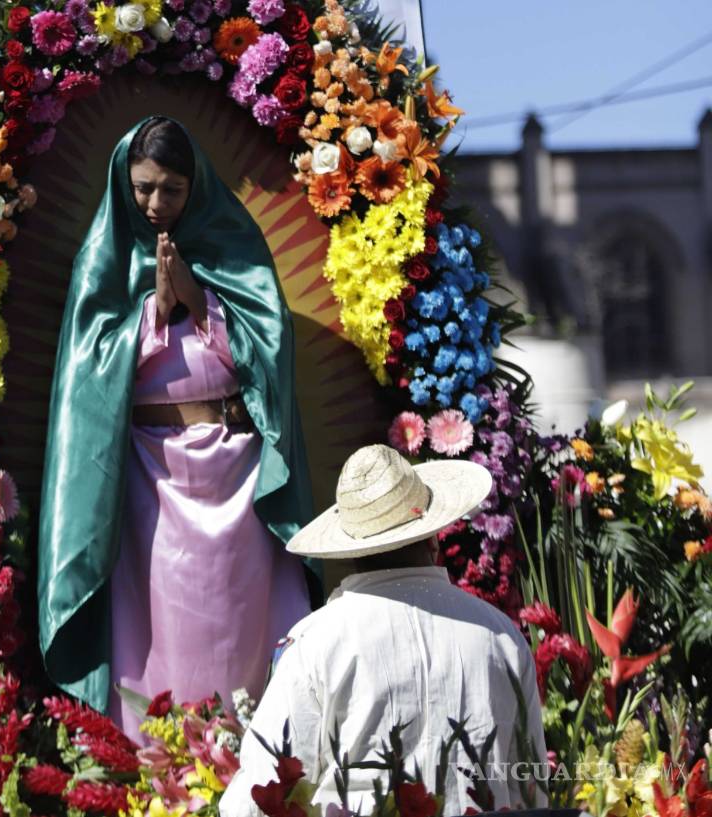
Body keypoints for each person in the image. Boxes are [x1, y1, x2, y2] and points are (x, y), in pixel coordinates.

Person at [37, 116, 318, 734]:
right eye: (143, 188)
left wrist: (201, 301)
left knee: (240, 623)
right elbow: (85, 379)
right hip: (148, 476)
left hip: (238, 475)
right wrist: (154, 314)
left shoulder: (233, 248)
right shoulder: (103, 263)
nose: (157, 203)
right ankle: (160, 770)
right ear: (123, 185)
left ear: (196, 187)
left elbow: (270, 354)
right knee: (162, 626)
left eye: (171, 188)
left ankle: (261, 760)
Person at [219, 444, 548, 817]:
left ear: (350, 549)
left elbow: (262, 792)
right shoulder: (500, 636)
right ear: (434, 537)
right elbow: (531, 789)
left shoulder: (315, 643)